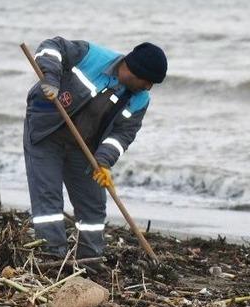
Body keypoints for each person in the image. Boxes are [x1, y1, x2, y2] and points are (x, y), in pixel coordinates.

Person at [23, 37, 167, 258]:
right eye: (147, 81)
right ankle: (51, 256)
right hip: (46, 131)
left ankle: (90, 258)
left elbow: (123, 134)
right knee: (48, 196)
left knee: (93, 204)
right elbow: (52, 47)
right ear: (133, 70)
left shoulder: (140, 100)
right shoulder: (91, 56)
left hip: (85, 147)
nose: (149, 88)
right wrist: (51, 78)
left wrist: (103, 162)